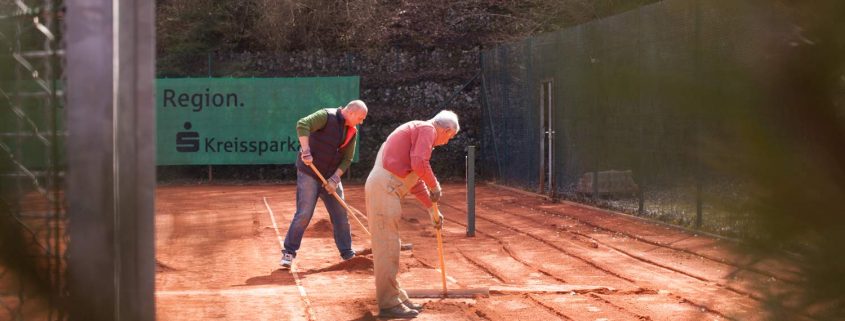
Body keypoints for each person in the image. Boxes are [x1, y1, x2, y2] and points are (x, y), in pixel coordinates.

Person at [364, 110, 460, 318]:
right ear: (445, 130)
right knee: (387, 247)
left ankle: (396, 296)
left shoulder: (417, 131)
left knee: (392, 246)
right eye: (449, 137)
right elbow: (420, 164)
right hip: (384, 188)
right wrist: (435, 186)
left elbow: (414, 180)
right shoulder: (426, 129)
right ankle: (389, 304)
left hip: (387, 188)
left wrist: (432, 209)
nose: (446, 141)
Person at [280, 100, 368, 268]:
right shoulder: (326, 116)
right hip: (309, 173)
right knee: (304, 213)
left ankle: (347, 253)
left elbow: (347, 159)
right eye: (361, 118)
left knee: (340, 214)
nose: (361, 122)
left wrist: (335, 179)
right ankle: (288, 253)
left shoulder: (352, 132)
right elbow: (302, 124)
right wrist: (305, 150)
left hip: (331, 176)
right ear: (351, 112)